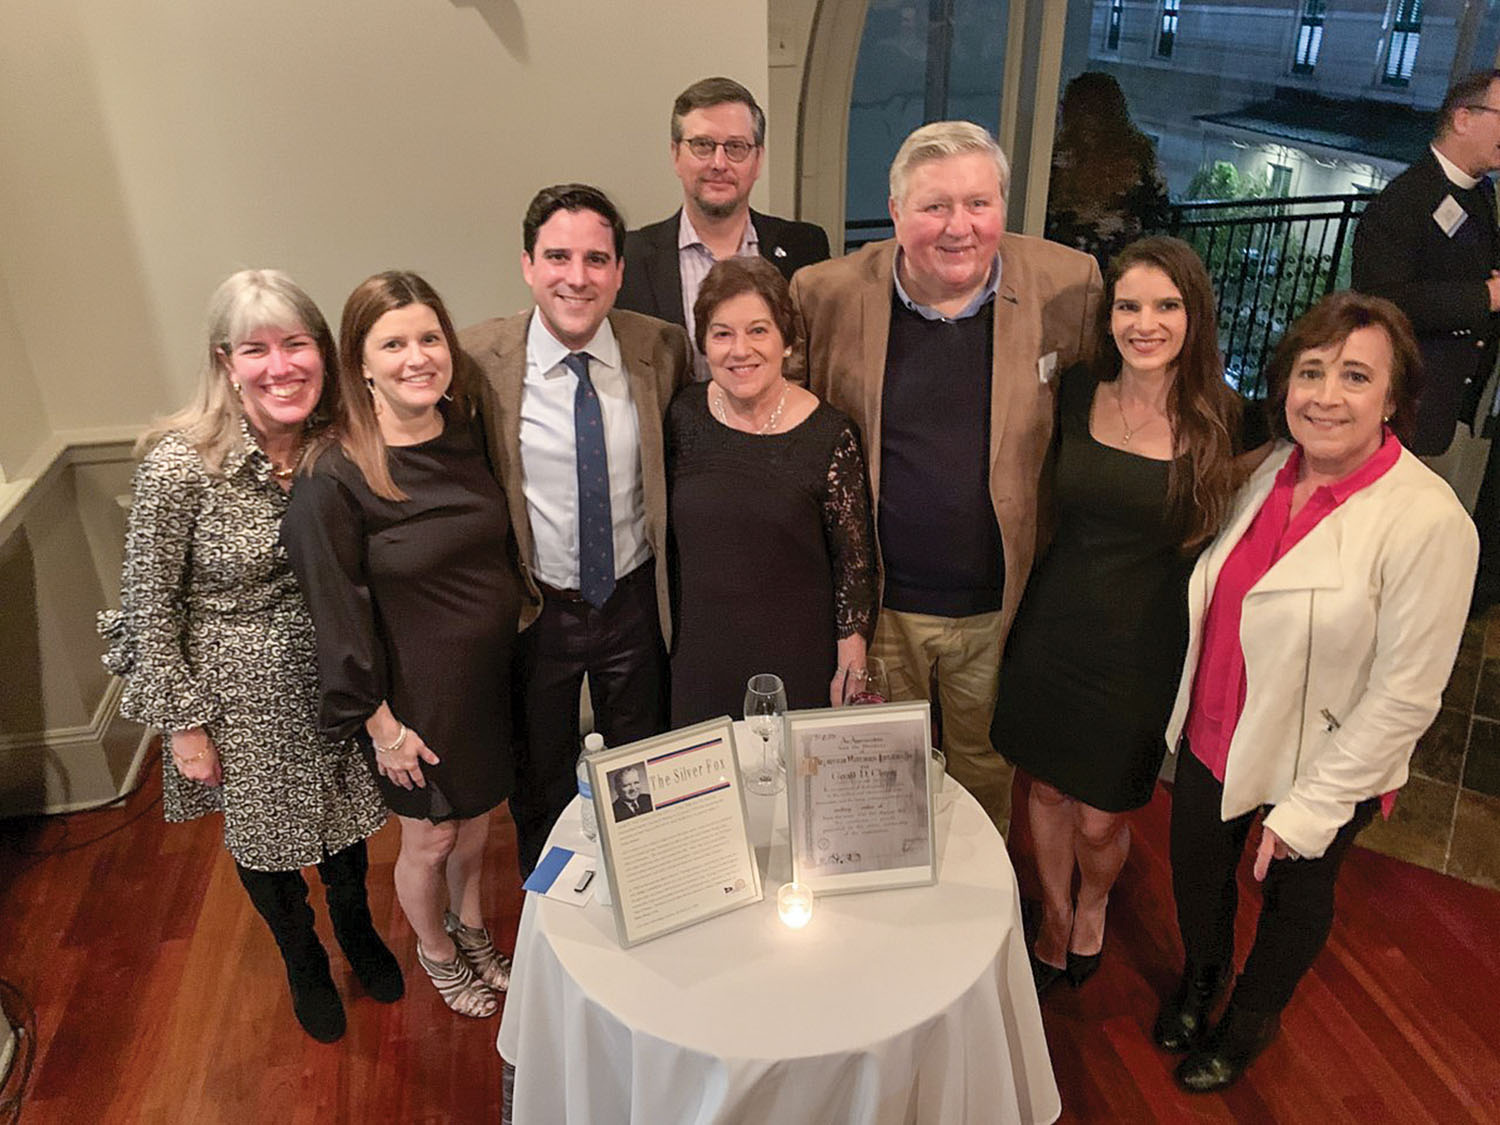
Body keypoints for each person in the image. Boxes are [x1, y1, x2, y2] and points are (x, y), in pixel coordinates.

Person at [1156, 291, 1477, 1092]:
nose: (1327, 395)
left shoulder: (1430, 523)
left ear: (1395, 398)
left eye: (1357, 376)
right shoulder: (1270, 468)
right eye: (1311, 371)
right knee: (1197, 870)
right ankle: (1204, 975)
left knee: (1295, 893)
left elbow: (1407, 695)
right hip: (1218, 722)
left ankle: (1250, 1018)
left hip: (1328, 751)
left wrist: (1315, 806)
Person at [101, 270, 398, 1043]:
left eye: (297, 344)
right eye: (257, 349)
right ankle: (301, 955)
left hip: (332, 677)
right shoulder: (181, 465)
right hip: (238, 701)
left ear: (323, 355)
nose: (281, 365)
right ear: (225, 361)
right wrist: (185, 727)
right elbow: (147, 610)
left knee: (344, 830)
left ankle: (358, 930)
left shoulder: (338, 445)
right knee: (269, 846)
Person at [789, 120, 1102, 836]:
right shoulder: (824, 293)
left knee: (986, 780)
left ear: (1002, 205)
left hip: (1000, 606)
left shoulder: (1068, 284)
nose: (959, 226)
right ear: (896, 211)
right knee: (881, 778)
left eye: (979, 203)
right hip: (884, 608)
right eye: (934, 206)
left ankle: (972, 912)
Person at [992, 237, 1242, 993]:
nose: (1145, 322)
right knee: (1045, 789)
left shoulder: (1227, 418)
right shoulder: (1073, 390)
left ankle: (1094, 896)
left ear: (1194, 316)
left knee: (1102, 815)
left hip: (1142, 648)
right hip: (1054, 626)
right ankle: (1057, 915)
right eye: (1128, 305)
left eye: (1166, 306)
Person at [283, 271, 522, 1019]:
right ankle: (437, 950)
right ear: (359, 362)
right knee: (432, 836)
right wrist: (382, 729)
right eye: (393, 343)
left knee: (479, 817)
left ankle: (473, 926)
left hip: (484, 679)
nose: (417, 356)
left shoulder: (465, 431)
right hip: (411, 698)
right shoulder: (334, 473)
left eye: (428, 337)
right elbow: (334, 615)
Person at [460, 184, 694, 877]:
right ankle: (554, 906)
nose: (577, 276)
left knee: (643, 764)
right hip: (539, 606)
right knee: (539, 774)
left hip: (632, 600)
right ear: (528, 265)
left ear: (619, 271)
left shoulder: (662, 349)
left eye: (596, 258)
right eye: (557, 256)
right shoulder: (477, 361)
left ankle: (647, 885)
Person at [667, 257, 876, 724]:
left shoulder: (830, 433)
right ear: (703, 343)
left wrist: (852, 657)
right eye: (722, 334)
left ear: (786, 339)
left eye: (758, 330)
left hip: (797, 659)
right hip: (700, 657)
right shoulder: (681, 416)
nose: (740, 350)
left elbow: (854, 563)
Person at [616, 76, 830, 379]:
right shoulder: (629, 257)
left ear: (758, 160)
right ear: (676, 154)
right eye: (702, 145)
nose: (719, 163)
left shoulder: (804, 248)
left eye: (736, 147)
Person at [1352, 69, 1500, 460]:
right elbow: (1382, 301)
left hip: (1455, 401)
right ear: (1463, 119)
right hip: (1408, 403)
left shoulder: (1482, 191)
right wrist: (1484, 296)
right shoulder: (1401, 203)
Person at [1045, 72, 1171, 274]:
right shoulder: (1140, 156)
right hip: (1121, 265)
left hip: (1065, 264)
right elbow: (1159, 211)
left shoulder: (1057, 157)